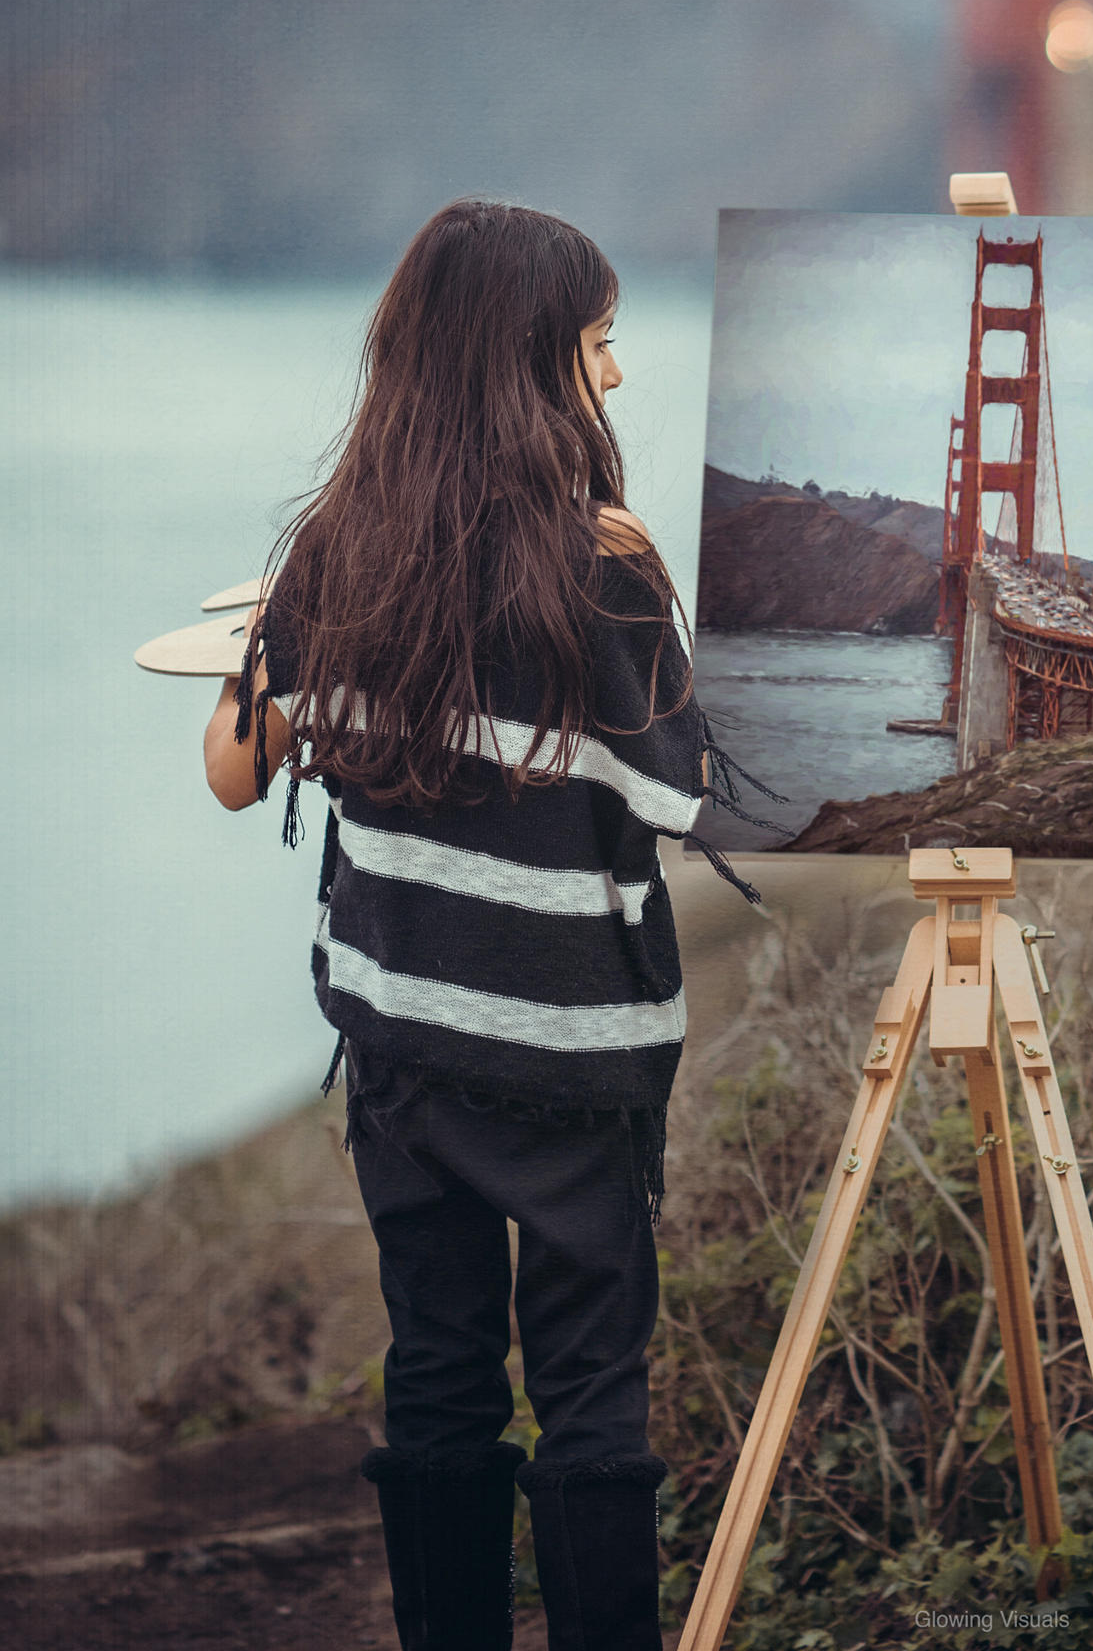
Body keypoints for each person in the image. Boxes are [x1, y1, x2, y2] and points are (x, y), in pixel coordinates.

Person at [201, 199, 765, 1651]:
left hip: (402, 1049)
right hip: (575, 1064)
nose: (619, 376)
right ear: (533, 364)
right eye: (601, 345)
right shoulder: (606, 568)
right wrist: (658, 613)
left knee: (440, 1372)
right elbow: (680, 795)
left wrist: (266, 625)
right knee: (588, 1388)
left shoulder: (336, 549)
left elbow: (235, 769)